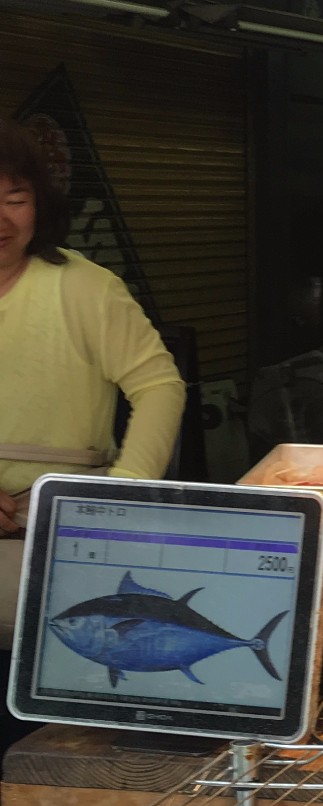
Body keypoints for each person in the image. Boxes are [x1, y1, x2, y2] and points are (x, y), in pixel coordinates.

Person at [0, 119, 186, 646]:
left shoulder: (83, 288)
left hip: (61, 534)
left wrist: (120, 497)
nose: (2, 220)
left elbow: (159, 385)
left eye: (16, 198)